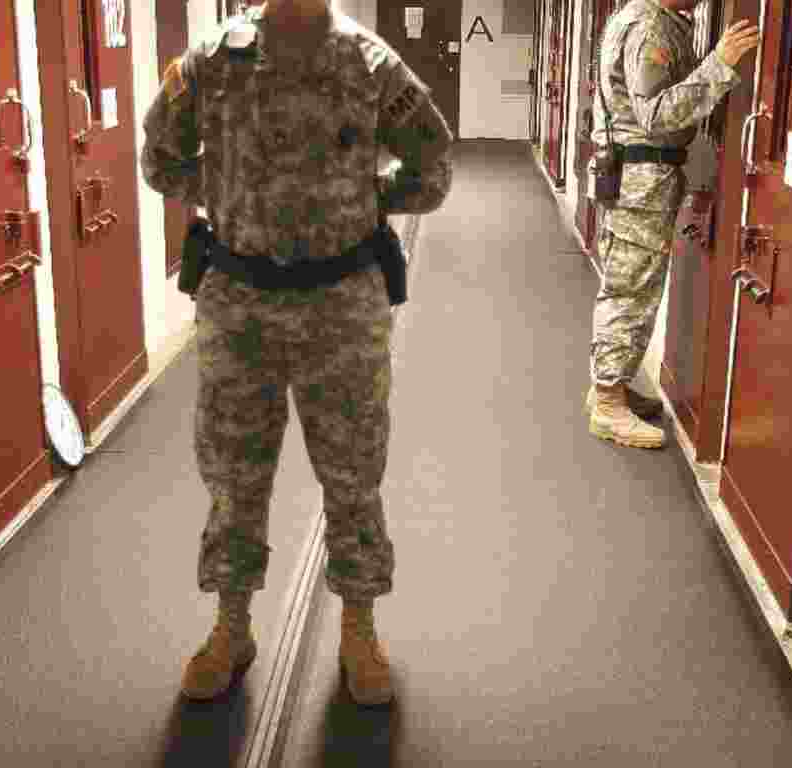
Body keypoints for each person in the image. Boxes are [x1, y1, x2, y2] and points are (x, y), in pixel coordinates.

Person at [141, 0, 453, 705]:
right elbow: (159, 154)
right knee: (233, 475)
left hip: (341, 303)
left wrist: (368, 199)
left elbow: (433, 163)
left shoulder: (371, 64)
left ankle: (359, 628)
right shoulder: (213, 61)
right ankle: (231, 625)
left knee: (352, 474)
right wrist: (217, 190)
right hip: (239, 303)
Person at [586, 0, 760, 448]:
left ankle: (612, 385)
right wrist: (718, 65)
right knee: (632, 289)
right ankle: (608, 403)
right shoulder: (651, 28)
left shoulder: (640, 18)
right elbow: (657, 115)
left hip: (634, 173)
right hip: (642, 178)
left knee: (631, 284)